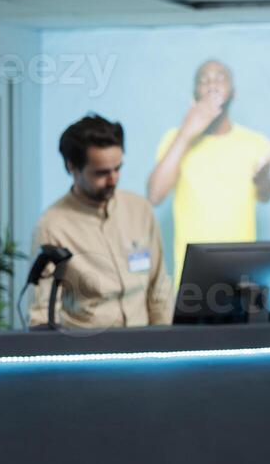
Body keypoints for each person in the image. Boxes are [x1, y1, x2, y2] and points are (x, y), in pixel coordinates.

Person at [30, 115, 172, 328]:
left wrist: (166, 345)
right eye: (101, 173)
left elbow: (158, 287)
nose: (113, 179)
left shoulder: (140, 210)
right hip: (88, 354)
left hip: (144, 349)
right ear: (72, 167)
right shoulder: (52, 226)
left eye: (117, 169)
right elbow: (41, 314)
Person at [147, 60, 270, 288]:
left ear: (233, 93)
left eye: (220, 78)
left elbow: (265, 196)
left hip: (243, 276)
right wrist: (186, 132)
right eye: (203, 80)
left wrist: (263, 180)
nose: (212, 85)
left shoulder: (256, 143)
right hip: (191, 279)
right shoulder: (174, 139)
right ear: (194, 93)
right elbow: (155, 195)